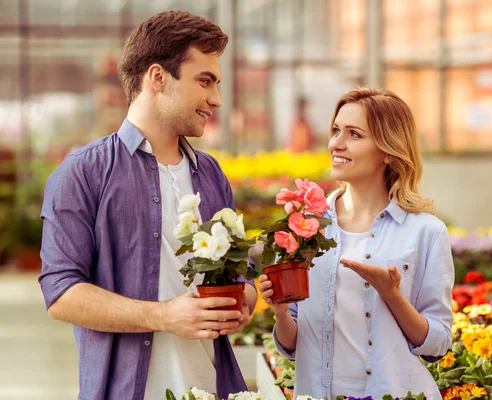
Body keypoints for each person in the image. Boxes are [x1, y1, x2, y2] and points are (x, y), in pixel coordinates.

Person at [38, 11, 257, 400]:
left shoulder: (211, 174)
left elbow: (239, 277)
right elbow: (62, 293)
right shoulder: (82, 173)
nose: (216, 99)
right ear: (157, 78)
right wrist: (165, 316)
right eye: (204, 81)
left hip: (214, 387)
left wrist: (244, 300)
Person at [258, 88, 454, 399]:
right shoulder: (304, 226)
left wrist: (392, 296)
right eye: (336, 130)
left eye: (354, 134)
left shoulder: (426, 232)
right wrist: (281, 312)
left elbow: (437, 343)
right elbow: (292, 346)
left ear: (388, 150)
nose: (336, 143)